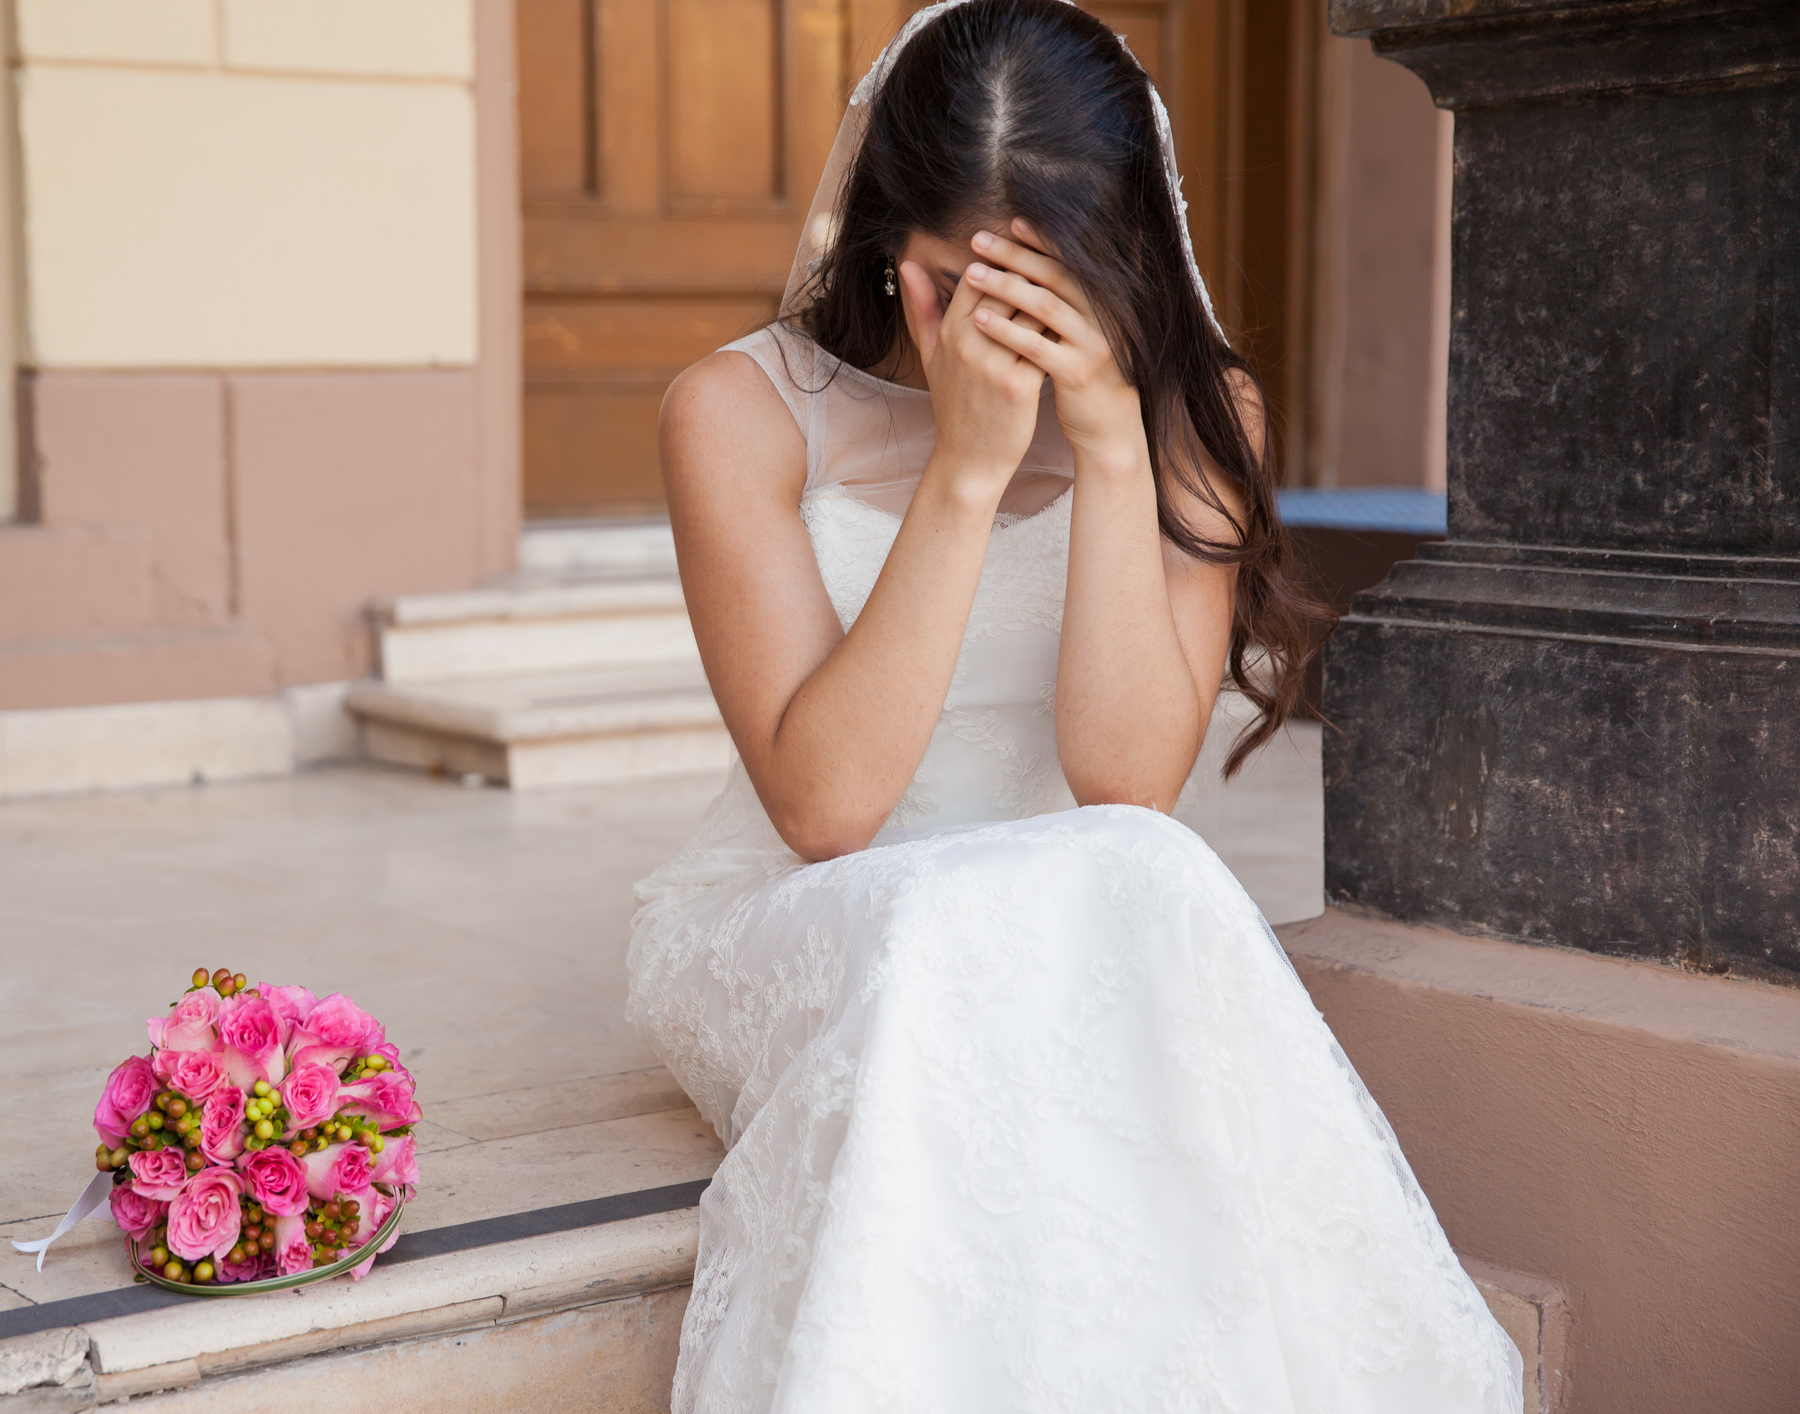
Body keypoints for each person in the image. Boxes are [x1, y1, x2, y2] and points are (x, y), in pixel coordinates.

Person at [626, 1, 1523, 1409]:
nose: (1002, 338)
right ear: (884, 244)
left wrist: (1111, 446)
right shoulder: (740, 412)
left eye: (1048, 291)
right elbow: (827, 808)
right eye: (953, 286)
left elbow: (1121, 785)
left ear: (1122, 261)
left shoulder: (1194, 414)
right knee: (960, 934)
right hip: (836, 913)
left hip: (1081, 909)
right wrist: (966, 476)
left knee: (1148, 872)